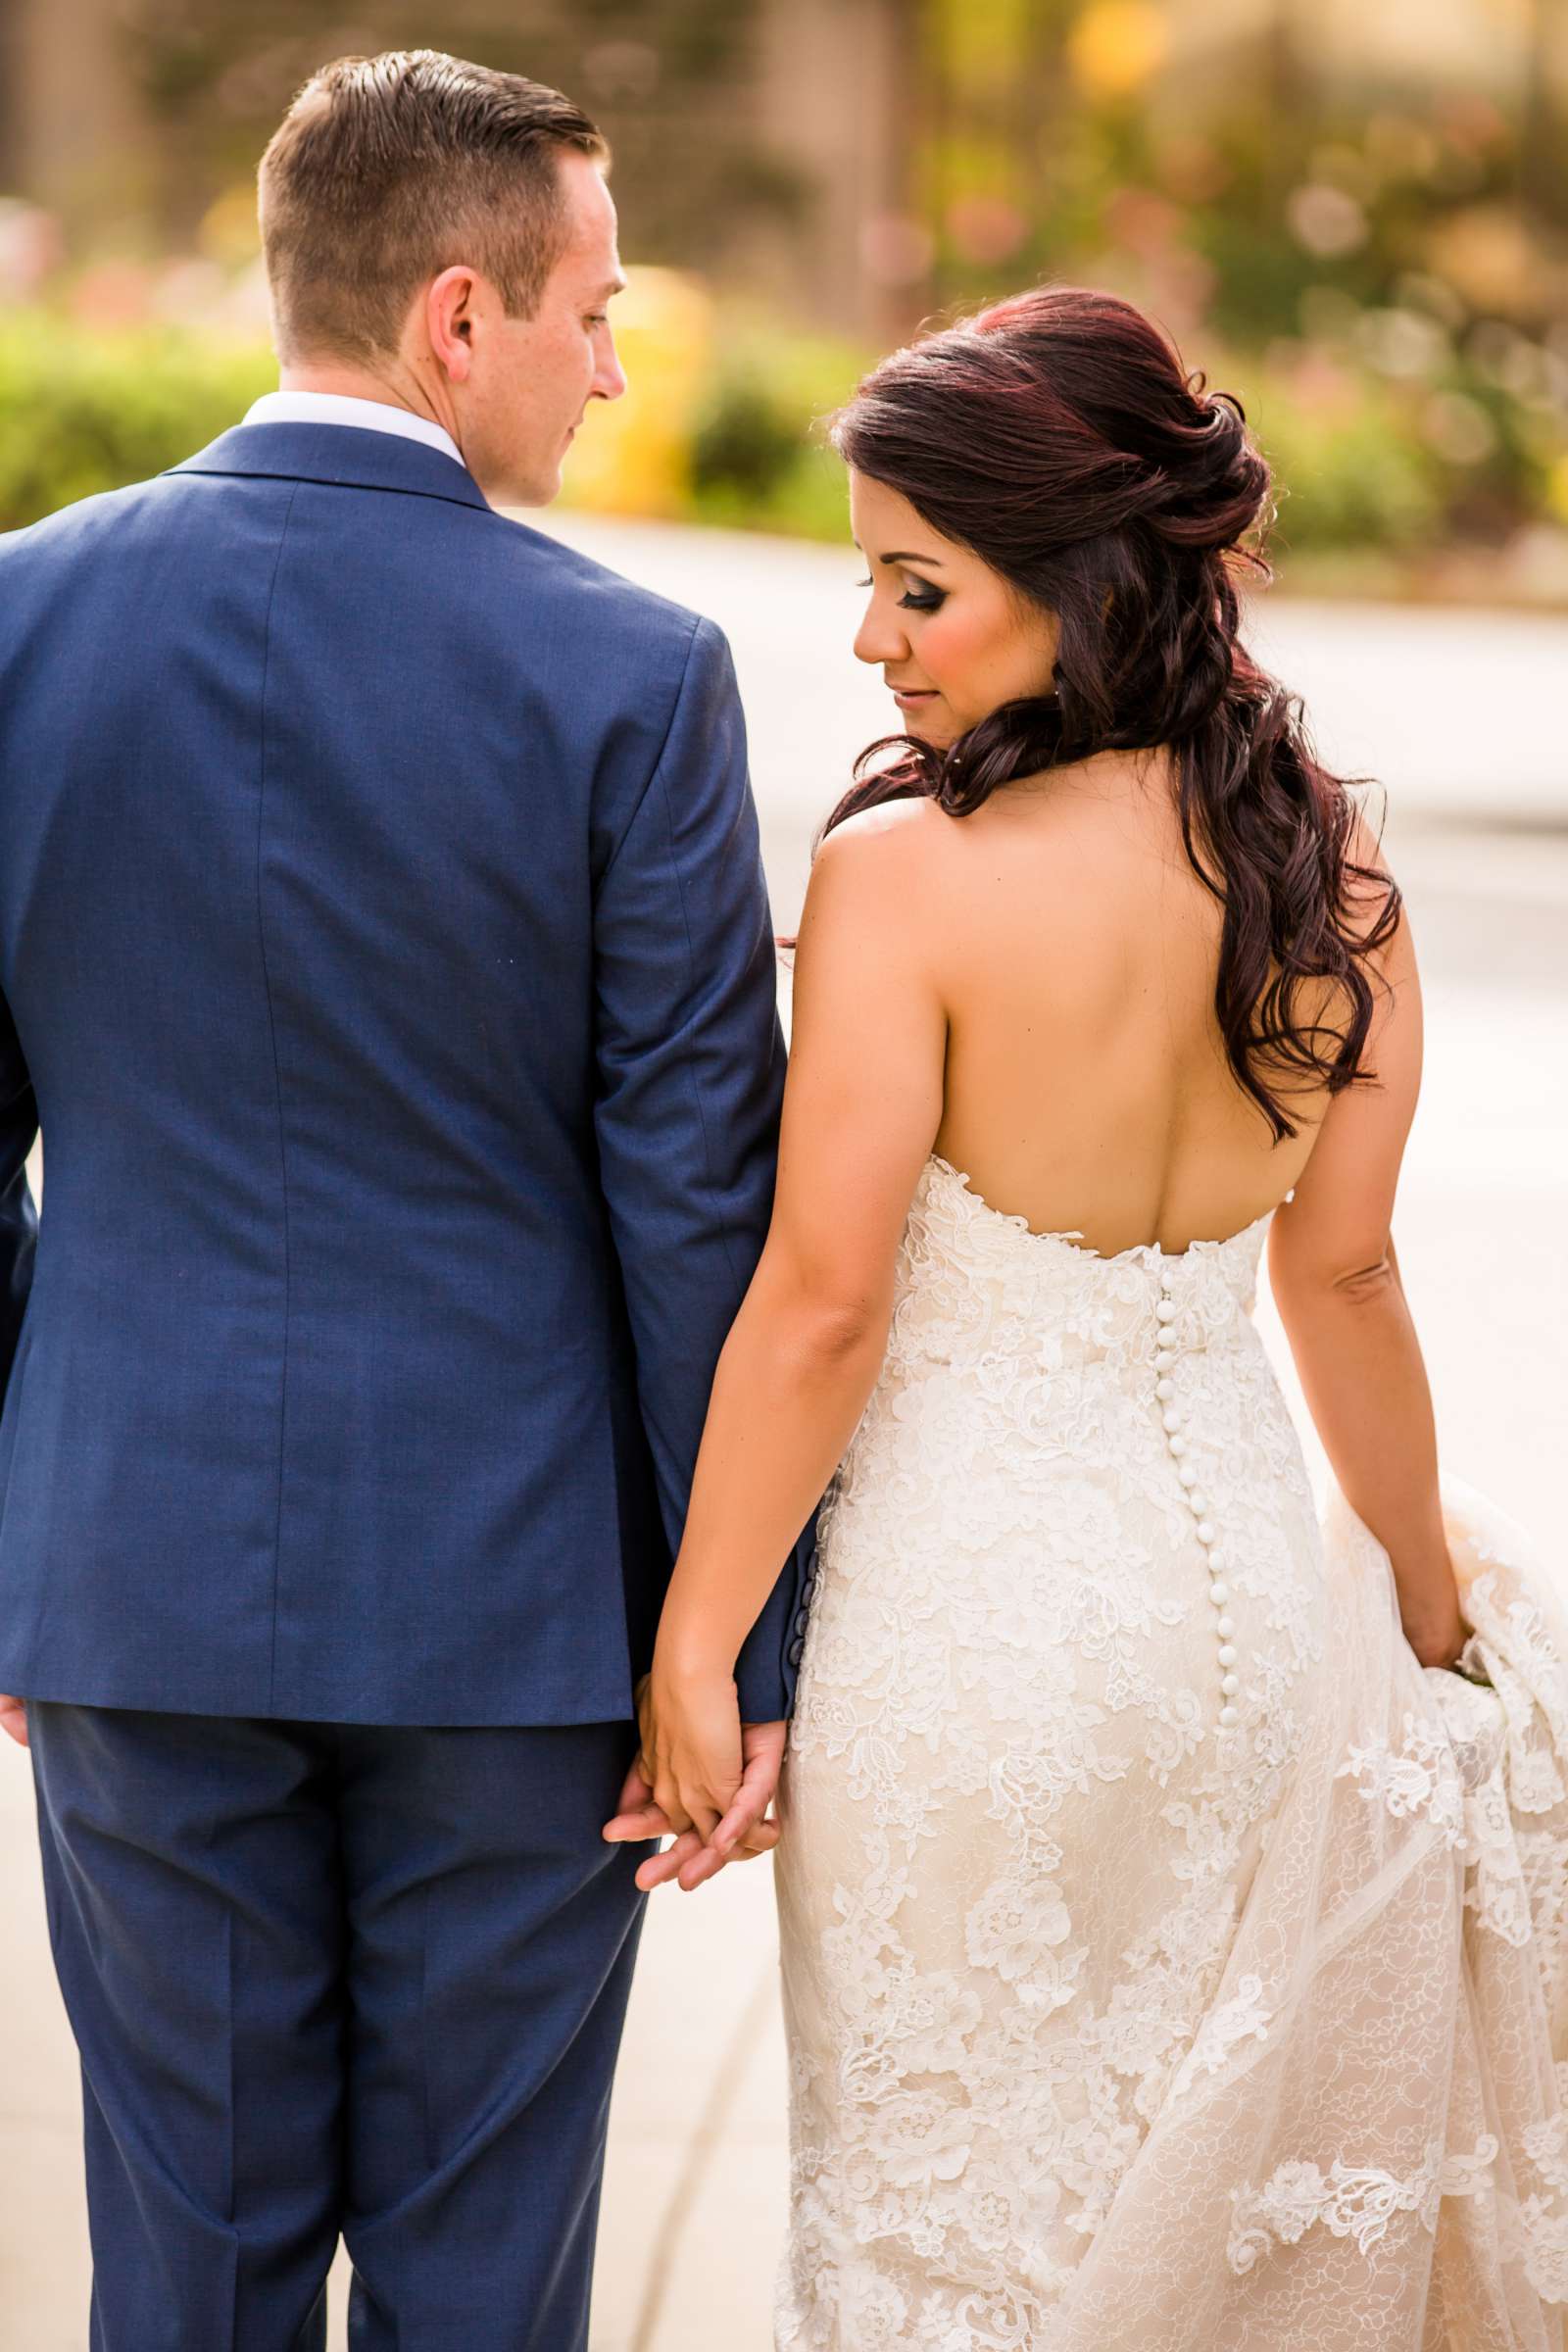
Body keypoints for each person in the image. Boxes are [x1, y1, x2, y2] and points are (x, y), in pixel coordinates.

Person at [616, 288, 1568, 2346]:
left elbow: (820, 1306)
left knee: (944, 2223)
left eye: (912, 585)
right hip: (1232, 1631)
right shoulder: (1336, 878)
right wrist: (1418, 1599)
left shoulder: (907, 880)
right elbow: (1342, 1281)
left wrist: (696, 1638)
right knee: (1185, 2215)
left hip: (970, 1647)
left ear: (1069, 573)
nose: (870, 637)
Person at [0, 49, 811, 2351]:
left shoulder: (14, 622)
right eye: (593, 309)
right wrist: (728, 1648)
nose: (615, 363)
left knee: (186, 2261)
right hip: (515, 1619)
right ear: (458, 319)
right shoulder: (631, 676)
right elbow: (690, 1204)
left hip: (130, 1574)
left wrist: (14, 1525)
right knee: (478, 2281)